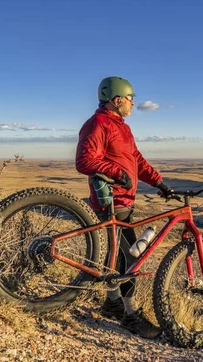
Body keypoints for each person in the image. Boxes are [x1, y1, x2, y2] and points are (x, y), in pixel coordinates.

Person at [75, 76, 173, 339]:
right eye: (130, 99)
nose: (132, 104)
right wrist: (117, 173)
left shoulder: (122, 128)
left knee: (119, 256)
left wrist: (159, 182)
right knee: (131, 258)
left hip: (124, 202)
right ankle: (130, 315)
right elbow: (84, 160)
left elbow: (136, 160)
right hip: (110, 201)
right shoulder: (98, 124)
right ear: (117, 100)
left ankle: (111, 302)